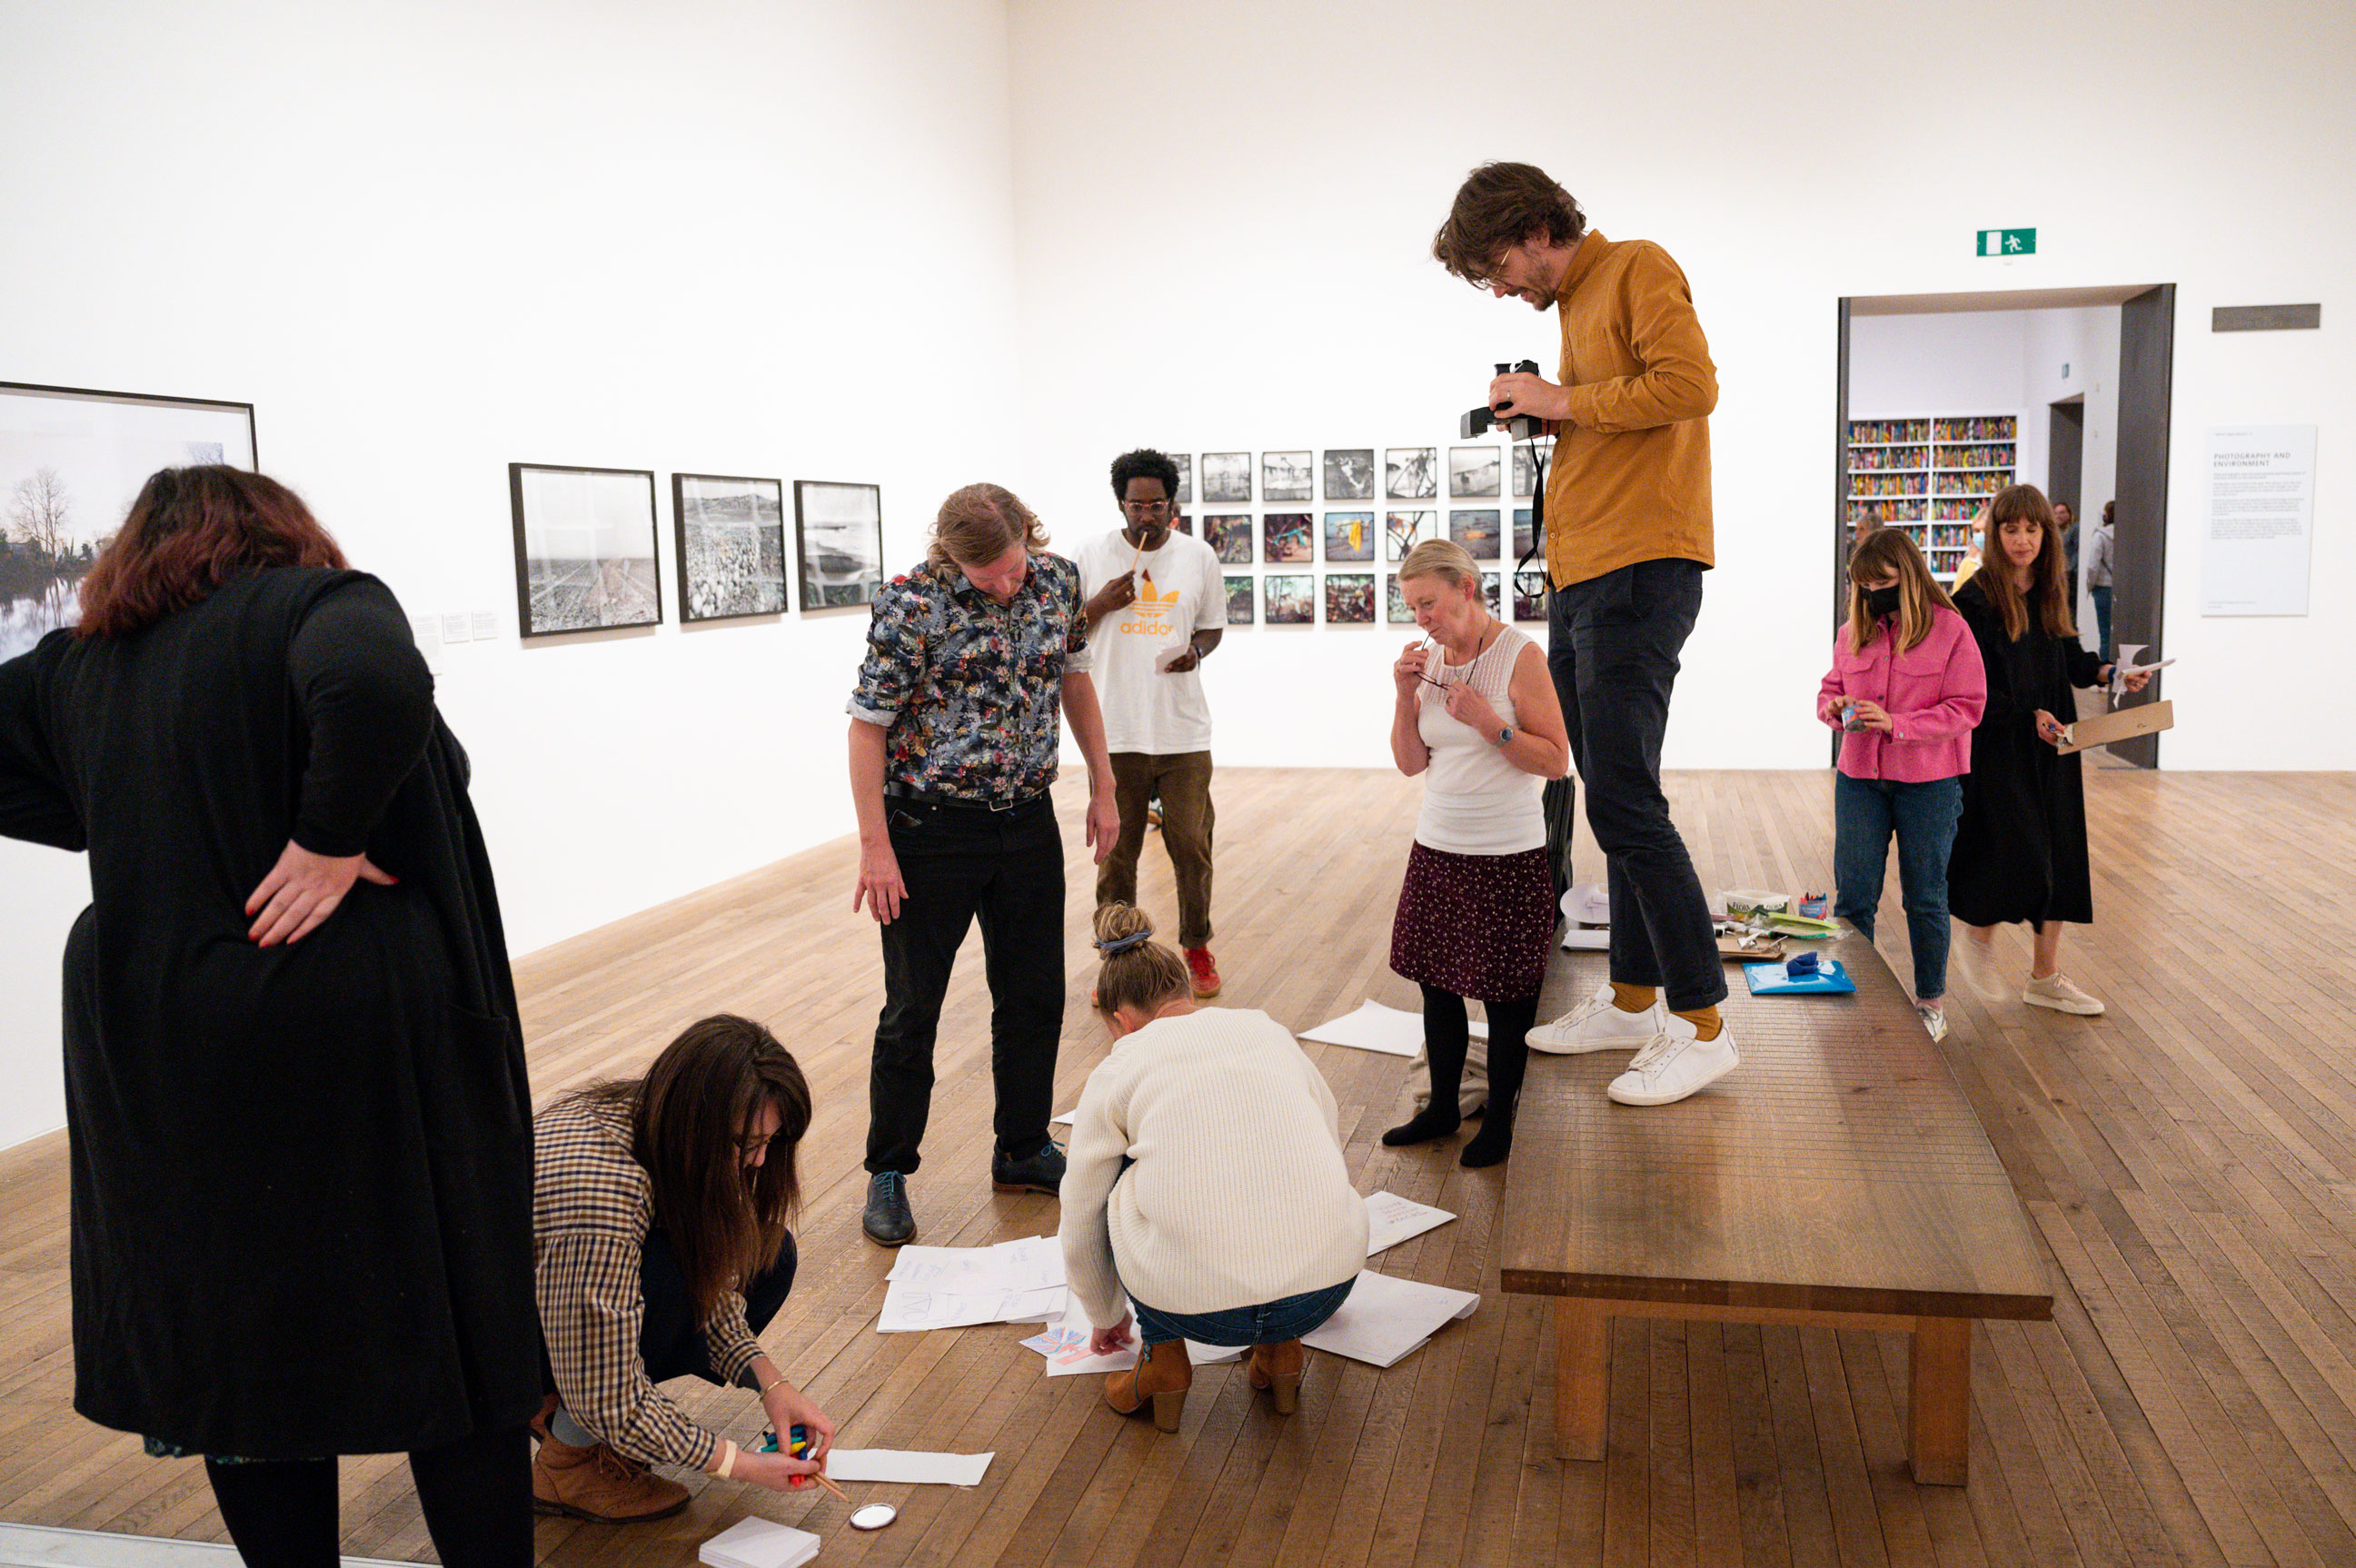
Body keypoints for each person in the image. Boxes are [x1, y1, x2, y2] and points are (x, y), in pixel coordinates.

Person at [0, 467, 537, 1567]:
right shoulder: (314, 604)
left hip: (166, 1048)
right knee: (448, 1328)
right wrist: (330, 835)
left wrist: (122, 811)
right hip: (349, 1041)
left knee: (240, 1350)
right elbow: (379, 682)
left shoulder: (84, 666)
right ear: (283, 534)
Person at [1431, 160, 1737, 1107]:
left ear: (1532, 228)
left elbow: (1691, 385)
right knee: (1606, 791)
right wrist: (1548, 411)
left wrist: (1564, 401)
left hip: (1640, 568)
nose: (1499, 286)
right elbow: (1619, 412)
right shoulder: (1575, 308)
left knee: (1630, 801)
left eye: (1497, 264)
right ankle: (1633, 997)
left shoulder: (1637, 266)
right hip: (1587, 572)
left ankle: (1700, 1024)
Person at [847, 482, 1120, 1246]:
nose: (1003, 585)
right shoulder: (908, 604)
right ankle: (889, 1170)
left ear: (1027, 538)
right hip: (928, 830)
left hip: (1027, 820)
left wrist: (1104, 785)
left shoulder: (1058, 579)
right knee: (913, 1009)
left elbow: (1074, 679)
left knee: (1034, 996)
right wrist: (876, 847)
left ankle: (1023, 1147)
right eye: (983, 577)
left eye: (1009, 568)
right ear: (949, 559)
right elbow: (867, 729)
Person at [1059, 903, 1367, 1431]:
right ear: (1185, 991)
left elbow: (1082, 1210)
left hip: (1192, 1309)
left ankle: (1164, 1363)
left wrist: (1106, 1314)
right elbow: (1325, 1133)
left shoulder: (1121, 1065)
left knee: (1120, 1180)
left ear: (1119, 1020)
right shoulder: (1268, 1031)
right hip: (1327, 1290)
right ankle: (1282, 1352)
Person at [532, 1015, 834, 1522]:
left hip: (546, 1300)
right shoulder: (603, 1198)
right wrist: (738, 1465)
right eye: (749, 1144)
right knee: (672, 1279)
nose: (760, 1163)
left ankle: (555, 1406)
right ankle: (566, 1464)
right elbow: (609, 1396)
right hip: (472, 1347)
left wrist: (773, 1384)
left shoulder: (658, 1124)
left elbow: (706, 1276)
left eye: (770, 1143)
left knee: (768, 1255)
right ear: (697, 1119)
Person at [1378, 540, 1570, 1163]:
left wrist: (1492, 724)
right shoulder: (1429, 661)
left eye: (1428, 603)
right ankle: (1440, 1105)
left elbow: (1555, 761)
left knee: (1504, 997)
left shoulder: (1520, 655)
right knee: (1435, 986)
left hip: (1505, 853)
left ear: (1466, 587)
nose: (1421, 619)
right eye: (1412, 607)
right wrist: (1403, 697)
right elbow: (1410, 765)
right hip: (1437, 846)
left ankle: (1502, 1124)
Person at [1948, 485, 2151, 1014]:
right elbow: (1972, 685)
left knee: (2061, 852)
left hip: (2054, 740)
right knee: (2012, 847)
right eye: (2011, 529)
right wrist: (2024, 715)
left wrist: (2111, 673)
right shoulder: (1974, 599)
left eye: (2032, 529)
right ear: (1995, 534)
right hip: (2001, 743)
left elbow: (2070, 657)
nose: (2022, 540)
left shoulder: (2049, 590)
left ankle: (2045, 975)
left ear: (2047, 534)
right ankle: (1979, 937)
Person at [1815, 529, 1986, 1042]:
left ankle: (1930, 1002)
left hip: (1929, 783)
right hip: (1859, 779)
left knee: (1926, 896)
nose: (1872, 595)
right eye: (1863, 586)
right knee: (1854, 897)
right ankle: (1854, 993)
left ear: (1909, 577)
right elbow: (1831, 689)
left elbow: (1968, 707)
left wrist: (1898, 724)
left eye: (1882, 583)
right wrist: (1832, 709)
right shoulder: (1853, 631)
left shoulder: (1952, 630)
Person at [1077, 449, 1228, 999]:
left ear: (1173, 504)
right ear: (1121, 504)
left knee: (1192, 844)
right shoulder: (1090, 554)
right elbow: (1064, 632)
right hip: (1113, 733)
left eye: (1156, 505)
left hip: (1183, 732)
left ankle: (1196, 945)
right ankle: (1117, 960)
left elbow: (1212, 627)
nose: (1146, 515)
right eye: (1136, 505)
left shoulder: (1198, 555)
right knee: (1118, 857)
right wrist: (1099, 604)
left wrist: (1196, 650)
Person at [2087, 501, 2115, 663]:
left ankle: (2106, 673)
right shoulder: (2128, 534)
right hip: (2122, 588)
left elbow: (2093, 565)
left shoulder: (2100, 535)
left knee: (2105, 633)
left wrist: (2089, 586)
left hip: (2103, 586)